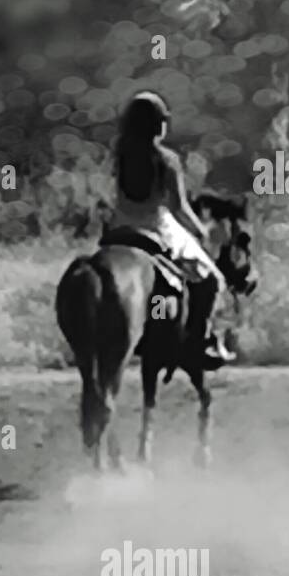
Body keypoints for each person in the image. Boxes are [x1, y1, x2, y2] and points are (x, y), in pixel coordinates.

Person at [103, 90, 236, 370]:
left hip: (119, 228)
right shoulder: (166, 159)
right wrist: (201, 232)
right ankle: (200, 342)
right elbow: (179, 208)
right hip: (156, 228)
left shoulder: (119, 156)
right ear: (158, 124)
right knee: (211, 280)